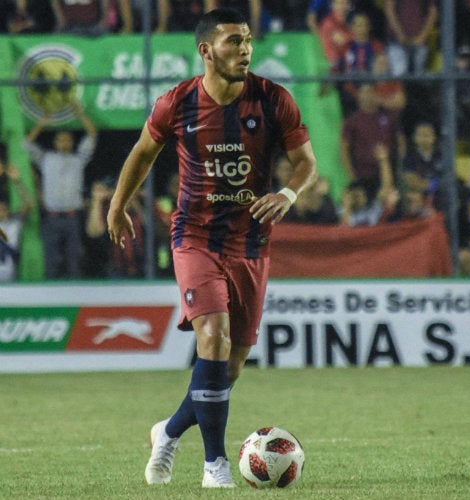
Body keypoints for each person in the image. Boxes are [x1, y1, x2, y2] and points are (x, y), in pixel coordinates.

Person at [106, 8, 318, 488]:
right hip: (195, 237)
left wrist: (287, 193)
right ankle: (215, 466)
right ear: (206, 50)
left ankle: (169, 430)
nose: (244, 49)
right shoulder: (177, 103)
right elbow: (142, 151)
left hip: (251, 243)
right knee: (214, 338)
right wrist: (119, 204)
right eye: (232, 41)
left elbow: (306, 163)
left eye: (247, 40)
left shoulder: (272, 99)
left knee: (229, 366)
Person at [23, 101, 97, 279]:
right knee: (51, 259)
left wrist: (79, 114)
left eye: (67, 139)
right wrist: (42, 123)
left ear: (72, 142)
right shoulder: (46, 159)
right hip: (52, 217)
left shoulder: (78, 159)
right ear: (55, 142)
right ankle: (49, 296)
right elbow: (26, 145)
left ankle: (75, 293)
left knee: (75, 258)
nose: (64, 142)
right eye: (61, 139)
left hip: (73, 216)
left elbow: (92, 135)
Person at [382, 0, 437, 75]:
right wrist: (400, 34)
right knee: (399, 72)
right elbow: (389, 8)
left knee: (420, 76)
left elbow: (432, 12)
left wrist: (422, 37)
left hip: (420, 42)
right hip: (396, 42)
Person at [0, 163, 34, 282]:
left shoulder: (14, 223)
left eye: (3, 209)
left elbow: (29, 204)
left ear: (8, 211)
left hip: (10, 275)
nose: (1, 212)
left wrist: (17, 182)